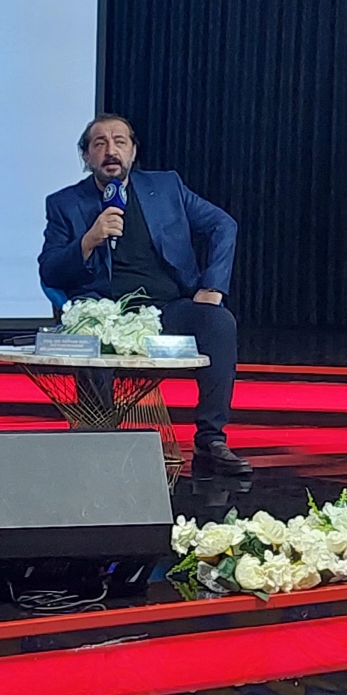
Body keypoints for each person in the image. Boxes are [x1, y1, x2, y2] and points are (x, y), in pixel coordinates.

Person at [38, 114, 250, 475]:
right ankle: (99, 437)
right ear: (86, 156)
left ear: (133, 151)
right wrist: (88, 240)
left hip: (167, 308)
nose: (111, 150)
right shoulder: (65, 203)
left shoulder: (166, 187)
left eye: (120, 141)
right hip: (103, 310)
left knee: (218, 322)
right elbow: (50, 270)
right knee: (91, 332)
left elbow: (222, 224)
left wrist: (212, 286)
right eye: (100, 143)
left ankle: (211, 438)